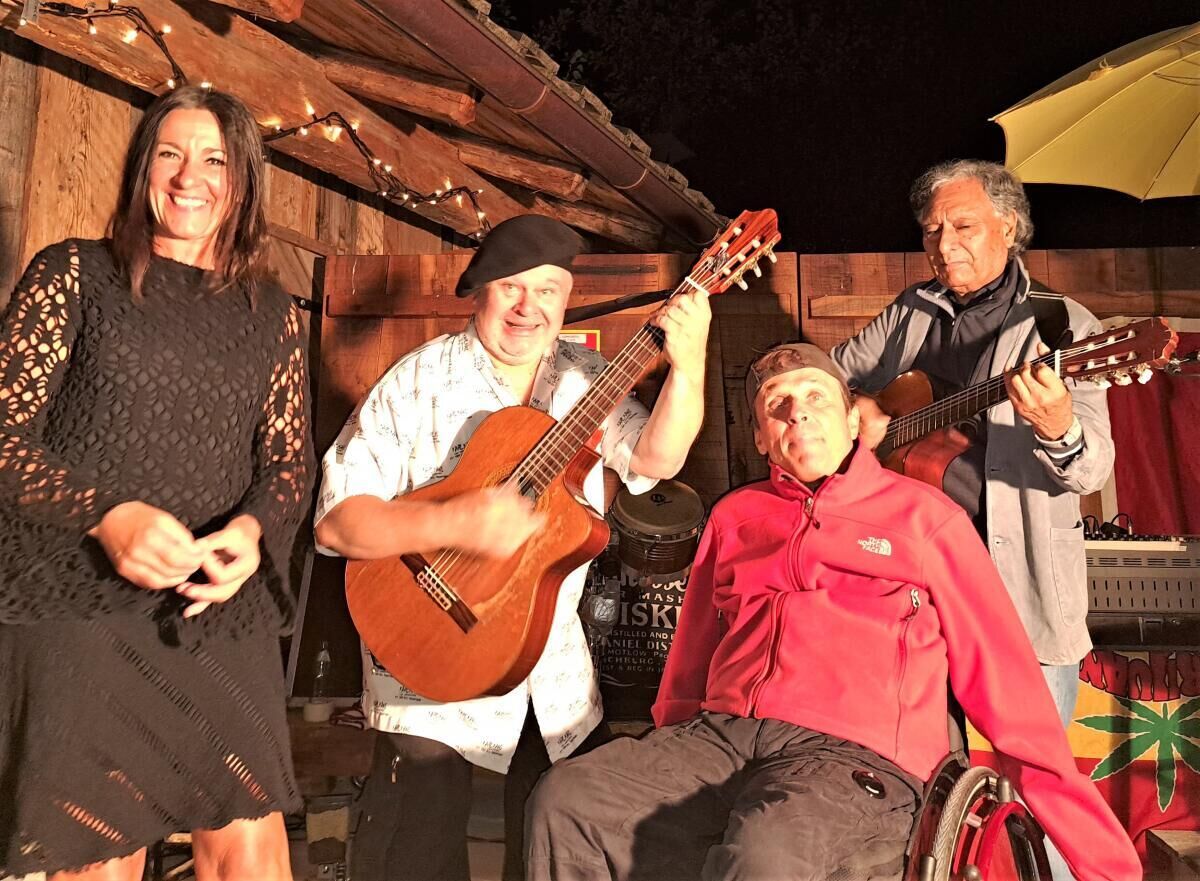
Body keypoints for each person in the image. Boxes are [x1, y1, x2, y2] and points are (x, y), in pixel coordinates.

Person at [525, 343, 1141, 881]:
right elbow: (689, 668)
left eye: (815, 396)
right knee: (569, 798)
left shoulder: (926, 519)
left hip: (857, 757)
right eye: (777, 404)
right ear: (761, 437)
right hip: (723, 738)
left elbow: (1008, 689)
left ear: (853, 422)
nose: (797, 412)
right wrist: (670, 751)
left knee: (766, 849)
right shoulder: (735, 517)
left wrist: (1105, 866)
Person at [313, 213, 711, 881]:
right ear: (480, 289)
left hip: (548, 671)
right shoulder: (417, 381)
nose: (529, 307)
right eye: (511, 287)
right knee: (418, 854)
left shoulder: (587, 377)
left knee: (556, 850)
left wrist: (689, 362)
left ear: (566, 298)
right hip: (427, 659)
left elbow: (655, 459)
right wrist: (453, 523)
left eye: (547, 290)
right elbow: (336, 523)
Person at [0, 85, 313, 880]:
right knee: (101, 848)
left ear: (242, 183)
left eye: (214, 160)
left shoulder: (272, 312)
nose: (188, 177)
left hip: (213, 608)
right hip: (79, 595)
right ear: (144, 169)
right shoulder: (74, 274)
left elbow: (287, 464)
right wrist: (107, 514)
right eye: (170, 154)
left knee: (251, 845)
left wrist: (250, 534)